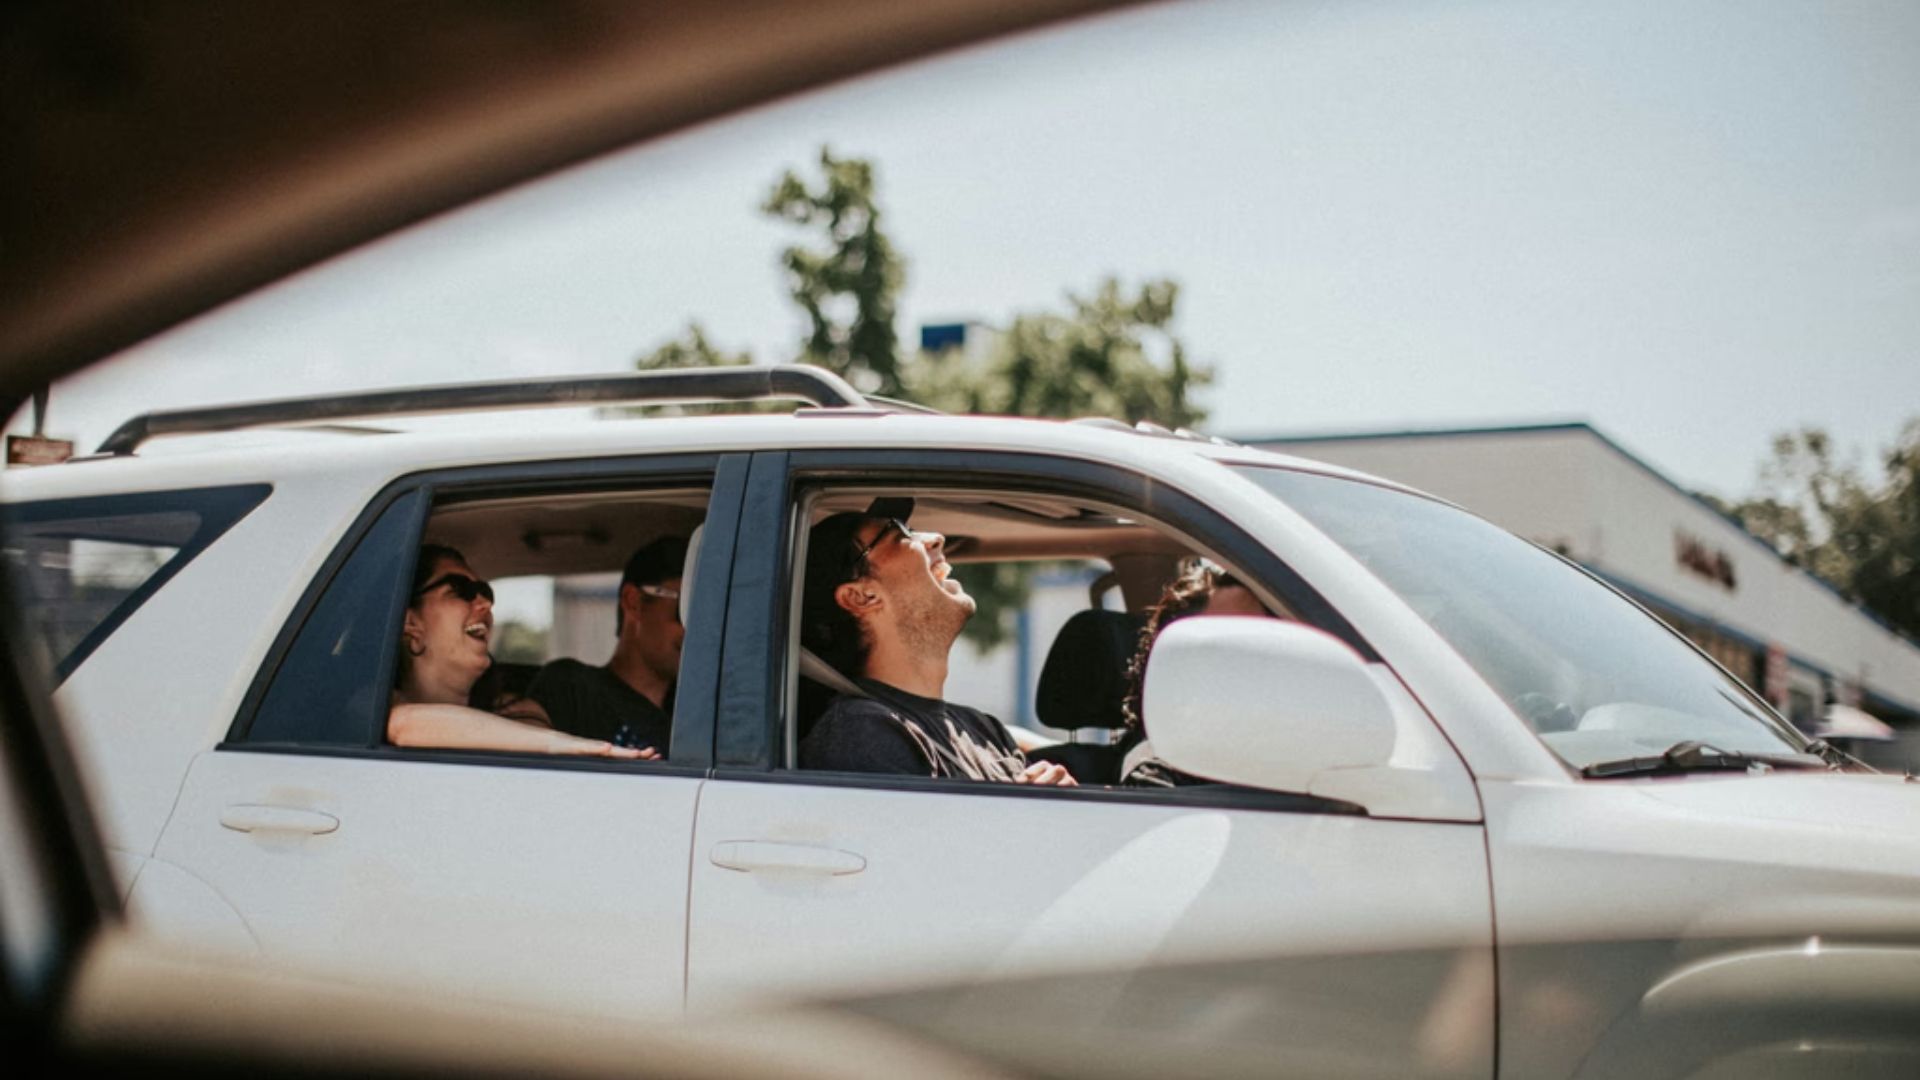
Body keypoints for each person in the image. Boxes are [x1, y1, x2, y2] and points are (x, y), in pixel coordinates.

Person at [798, 500, 1075, 785]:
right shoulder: (860, 732)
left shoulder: (983, 728)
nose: (936, 538)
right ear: (861, 597)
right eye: (900, 535)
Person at [388, 544, 648, 759]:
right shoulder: (375, 710)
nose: (485, 604)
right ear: (410, 622)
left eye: (484, 592)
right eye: (461, 591)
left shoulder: (519, 713)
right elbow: (403, 724)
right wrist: (562, 744)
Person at [1120, 560, 1278, 788]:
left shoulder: (1280, 750)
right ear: (1180, 666)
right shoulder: (1159, 771)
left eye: (1264, 639)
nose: (1256, 657)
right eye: (1234, 645)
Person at [526, 536, 686, 756]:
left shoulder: (699, 714)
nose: (697, 629)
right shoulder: (572, 688)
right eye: (686, 609)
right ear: (634, 602)